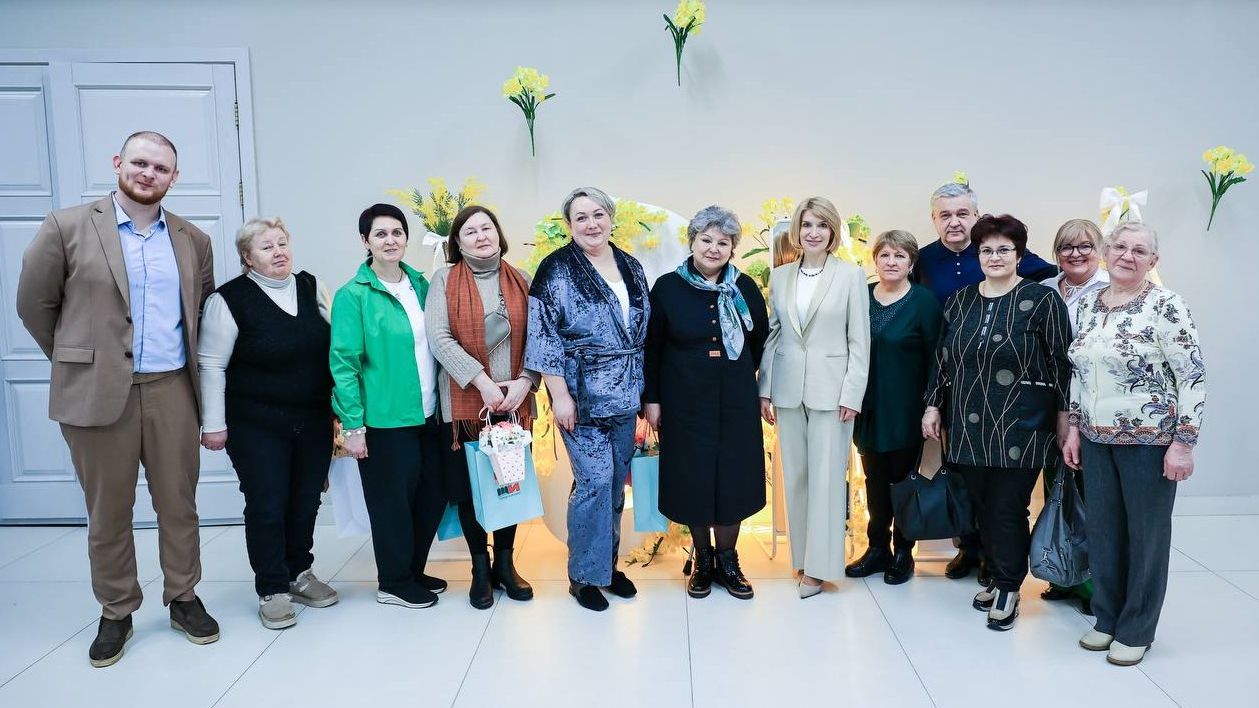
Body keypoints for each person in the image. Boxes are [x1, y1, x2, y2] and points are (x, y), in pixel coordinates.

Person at [15, 131, 219, 667]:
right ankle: (116, 609)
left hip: (172, 388)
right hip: (98, 393)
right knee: (108, 510)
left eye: (161, 168)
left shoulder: (194, 240)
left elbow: (200, 313)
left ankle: (184, 596)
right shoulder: (66, 227)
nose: (148, 173)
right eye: (140, 163)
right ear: (118, 163)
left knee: (179, 503)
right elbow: (34, 304)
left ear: (175, 177)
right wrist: (78, 360)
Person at [1063, 222, 1205, 667]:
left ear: (1152, 261)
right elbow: (1079, 372)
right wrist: (1074, 428)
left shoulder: (1166, 305)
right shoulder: (1090, 305)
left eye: (1139, 250)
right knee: (1104, 533)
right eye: (1120, 247)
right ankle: (1107, 618)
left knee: (1146, 538)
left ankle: (1137, 628)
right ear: (1106, 253)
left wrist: (1183, 443)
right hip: (1095, 439)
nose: (1127, 255)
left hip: (1150, 442)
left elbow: (1192, 376)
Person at [922, 214, 1072, 631]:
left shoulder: (1042, 300)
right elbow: (943, 360)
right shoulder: (960, 301)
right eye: (986, 250)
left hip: (1022, 424)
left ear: (1019, 254)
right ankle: (996, 574)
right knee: (981, 505)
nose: (995, 256)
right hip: (967, 422)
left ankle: (1008, 586)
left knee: (1007, 507)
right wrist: (933, 406)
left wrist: (1065, 417)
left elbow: (1063, 364)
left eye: (1004, 249)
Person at [197, 217, 338, 630]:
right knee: (268, 502)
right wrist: (213, 424)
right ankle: (272, 588)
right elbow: (211, 365)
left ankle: (299, 573)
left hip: (312, 417)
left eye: (282, 243)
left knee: (307, 499)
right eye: (266, 247)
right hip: (254, 422)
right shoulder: (229, 300)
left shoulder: (311, 286)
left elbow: (336, 345)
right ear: (247, 257)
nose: (278, 252)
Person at [525, 186, 650, 612]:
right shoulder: (556, 268)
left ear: (611, 217)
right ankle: (583, 576)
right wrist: (559, 395)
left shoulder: (630, 265)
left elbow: (641, 331)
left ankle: (606, 568)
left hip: (626, 391)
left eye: (598, 214)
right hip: (580, 396)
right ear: (569, 225)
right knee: (593, 482)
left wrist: (646, 390)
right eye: (581, 217)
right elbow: (542, 336)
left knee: (614, 485)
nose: (591, 224)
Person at [643, 205, 769, 600]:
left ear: (732, 248)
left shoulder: (745, 288)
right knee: (692, 477)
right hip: (683, 400)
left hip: (735, 399)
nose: (714, 248)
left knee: (734, 476)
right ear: (693, 242)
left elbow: (760, 341)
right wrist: (652, 400)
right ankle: (703, 561)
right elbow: (652, 348)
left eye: (723, 242)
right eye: (706, 240)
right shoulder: (667, 287)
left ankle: (729, 561)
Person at [330, 203, 447, 610]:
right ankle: (394, 581)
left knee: (431, 496)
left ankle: (412, 569)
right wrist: (353, 426)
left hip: (430, 413)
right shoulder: (353, 296)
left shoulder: (421, 285)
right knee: (391, 504)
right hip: (383, 419)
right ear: (366, 241)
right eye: (380, 234)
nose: (390, 240)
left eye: (397, 232)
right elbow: (344, 364)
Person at [425, 205, 538, 610]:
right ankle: (479, 567)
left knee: (509, 484)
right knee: (470, 488)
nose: (480, 236)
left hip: (515, 402)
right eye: (470, 231)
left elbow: (540, 340)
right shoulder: (443, 280)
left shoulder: (522, 279)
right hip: (465, 404)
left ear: (498, 234)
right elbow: (439, 338)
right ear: (457, 242)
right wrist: (483, 383)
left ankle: (505, 564)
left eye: (486, 228)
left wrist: (525, 382)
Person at [758, 197, 870, 599]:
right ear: (797, 230)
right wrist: (765, 388)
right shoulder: (781, 276)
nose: (813, 232)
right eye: (807, 224)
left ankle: (820, 569)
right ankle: (803, 559)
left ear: (833, 231)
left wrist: (852, 392)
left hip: (833, 391)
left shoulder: (850, 275)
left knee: (826, 479)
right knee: (797, 477)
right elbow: (774, 335)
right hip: (788, 389)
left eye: (822, 225)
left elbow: (860, 340)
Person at [845, 230, 942, 585]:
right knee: (874, 481)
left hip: (905, 409)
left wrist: (933, 405)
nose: (891, 262)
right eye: (885, 255)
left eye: (899, 256)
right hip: (866, 407)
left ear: (911, 263)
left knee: (903, 482)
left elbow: (937, 359)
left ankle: (903, 551)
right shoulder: (861, 296)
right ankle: (877, 549)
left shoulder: (924, 302)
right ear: (875, 260)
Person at [1038, 218, 1109, 614]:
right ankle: (1062, 574)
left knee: (1088, 495)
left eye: (1085, 246)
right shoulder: (1047, 289)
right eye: (1067, 247)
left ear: (1099, 250)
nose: (1076, 254)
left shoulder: (1110, 289)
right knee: (1057, 489)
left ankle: (1093, 584)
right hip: (1050, 401)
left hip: (1091, 402)